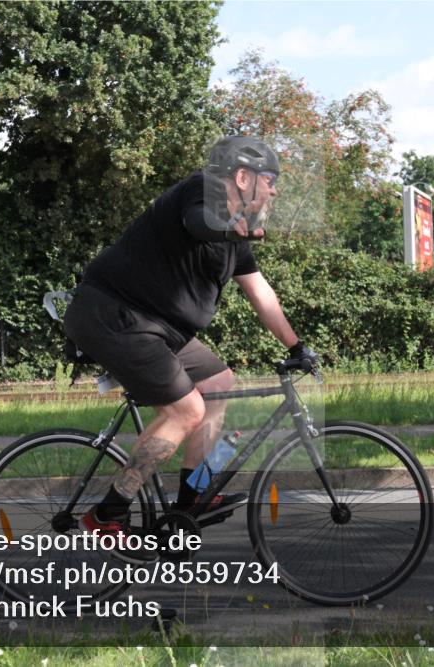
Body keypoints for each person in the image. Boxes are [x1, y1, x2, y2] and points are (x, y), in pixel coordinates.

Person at [62, 136, 318, 562]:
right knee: (187, 411)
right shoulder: (203, 191)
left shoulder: (236, 234)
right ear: (241, 176)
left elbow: (259, 291)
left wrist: (297, 345)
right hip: (115, 317)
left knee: (218, 381)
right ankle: (108, 514)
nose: (274, 190)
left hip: (156, 327)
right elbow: (198, 223)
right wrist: (230, 226)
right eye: (269, 180)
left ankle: (190, 501)